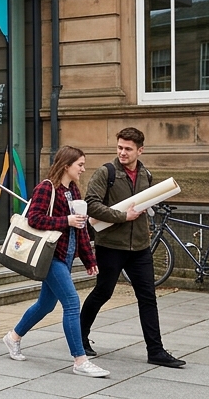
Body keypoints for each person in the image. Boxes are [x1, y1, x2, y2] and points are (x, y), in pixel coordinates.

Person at [79, 127, 186, 368]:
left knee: (148, 297)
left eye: (128, 149)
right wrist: (122, 216)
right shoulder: (106, 172)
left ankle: (156, 351)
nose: (123, 152)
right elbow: (91, 205)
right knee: (103, 292)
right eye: (120, 147)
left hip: (140, 247)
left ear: (140, 150)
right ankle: (80, 337)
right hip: (111, 245)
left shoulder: (146, 174)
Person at [2, 146, 107, 378]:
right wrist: (65, 220)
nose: (83, 169)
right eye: (80, 164)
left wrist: (89, 259)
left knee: (46, 305)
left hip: (66, 255)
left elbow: (81, 228)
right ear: (66, 165)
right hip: (50, 255)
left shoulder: (74, 191)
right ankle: (80, 360)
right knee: (72, 302)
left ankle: (13, 337)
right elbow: (34, 219)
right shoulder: (46, 188)